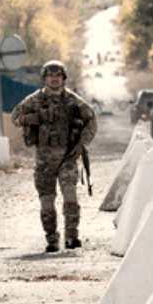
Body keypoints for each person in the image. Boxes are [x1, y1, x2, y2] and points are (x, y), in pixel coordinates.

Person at [11, 60, 98, 252]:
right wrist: (35, 118)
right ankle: (51, 239)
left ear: (63, 78)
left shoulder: (73, 101)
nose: (54, 79)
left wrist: (81, 143)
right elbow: (15, 116)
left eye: (58, 76)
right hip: (44, 161)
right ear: (45, 78)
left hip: (67, 158)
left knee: (70, 198)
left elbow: (91, 120)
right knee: (47, 202)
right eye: (50, 76)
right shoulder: (35, 100)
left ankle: (71, 237)